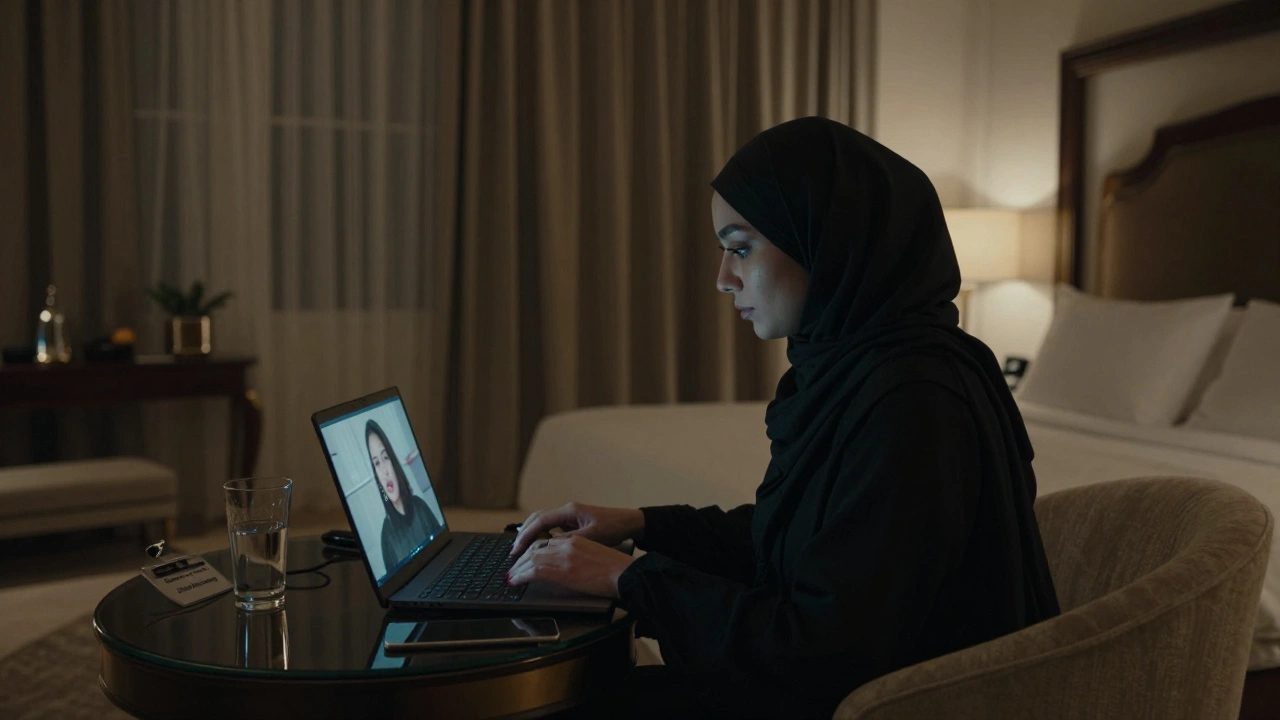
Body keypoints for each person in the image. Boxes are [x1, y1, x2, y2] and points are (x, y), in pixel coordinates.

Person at [506, 117, 1060, 719]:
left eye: (741, 248)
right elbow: (803, 545)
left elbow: (821, 649)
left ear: (826, 238)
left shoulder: (916, 403)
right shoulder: (850, 374)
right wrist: (641, 524)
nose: (723, 279)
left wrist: (629, 581)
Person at [366, 419, 442, 573]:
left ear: (394, 462)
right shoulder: (386, 537)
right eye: (377, 463)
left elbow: (442, 550)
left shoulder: (419, 506)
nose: (384, 471)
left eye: (385, 457)